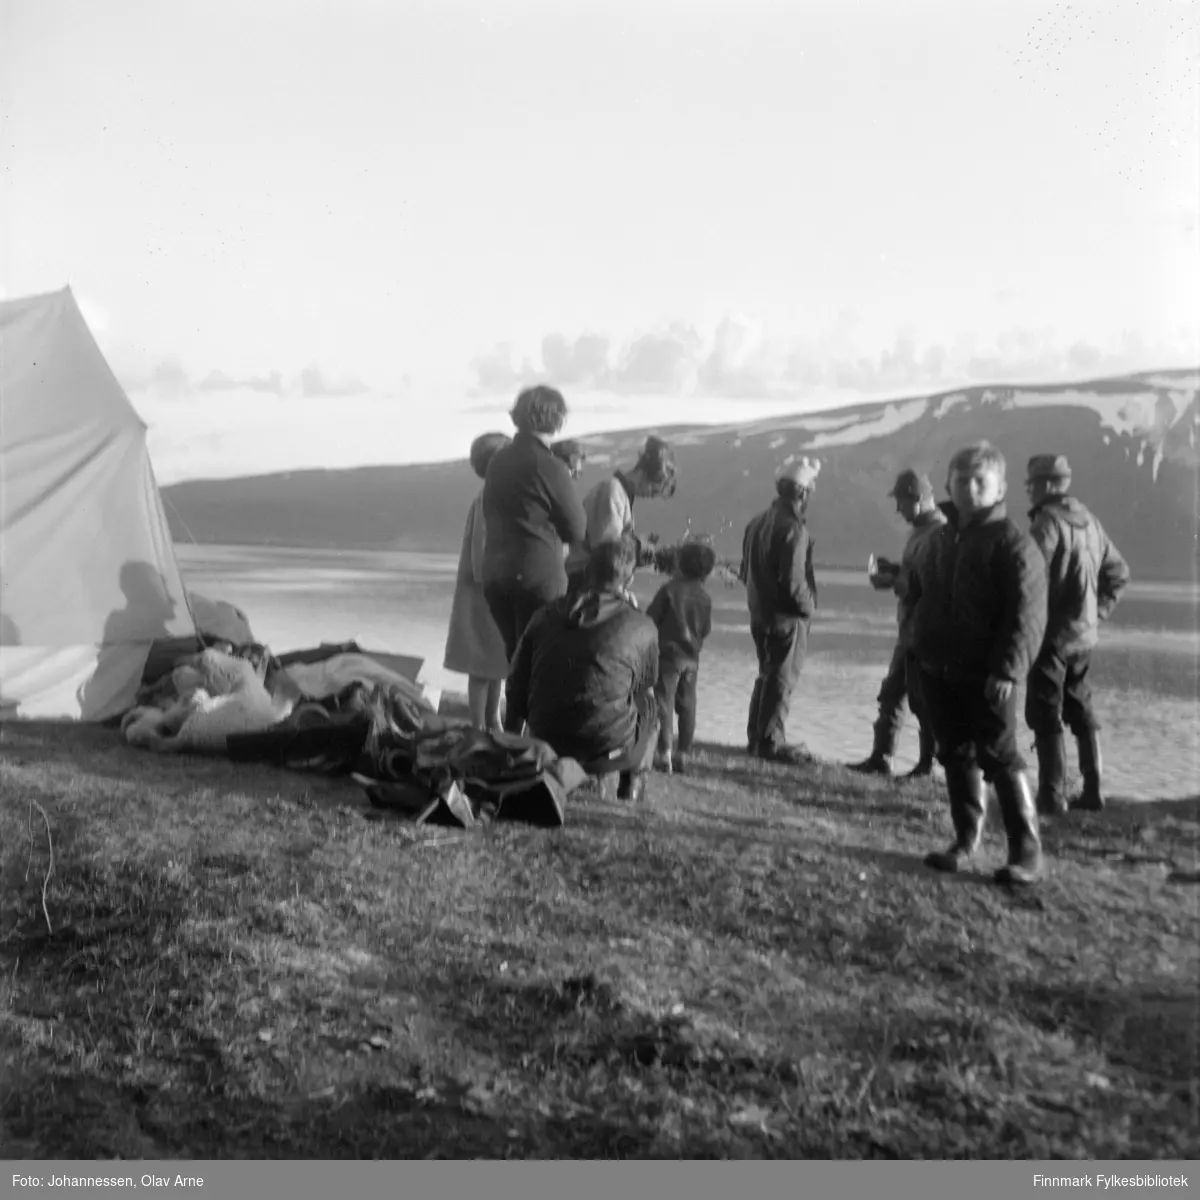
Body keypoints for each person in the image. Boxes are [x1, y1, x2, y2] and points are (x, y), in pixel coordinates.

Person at [907, 442, 1049, 886]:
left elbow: (1027, 614)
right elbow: (918, 593)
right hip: (938, 667)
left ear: (999, 487)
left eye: (979, 481)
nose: (969, 488)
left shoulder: (1013, 544)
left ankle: (1027, 851)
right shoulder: (938, 538)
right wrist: (918, 640)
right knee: (954, 753)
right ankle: (965, 842)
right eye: (961, 479)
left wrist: (1009, 669)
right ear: (947, 484)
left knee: (1001, 756)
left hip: (990, 675)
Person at [505, 535, 660, 802]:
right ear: (629, 579)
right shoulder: (642, 626)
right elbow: (642, 688)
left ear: (587, 572)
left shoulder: (544, 615)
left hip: (545, 742)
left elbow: (516, 686)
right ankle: (632, 785)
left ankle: (521, 762)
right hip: (608, 753)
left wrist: (510, 747)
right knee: (650, 703)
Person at [1024, 453, 1131, 814]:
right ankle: (1093, 792)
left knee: (1045, 713)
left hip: (1050, 638)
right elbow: (1119, 574)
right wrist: (1095, 615)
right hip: (1083, 639)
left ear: (1049, 485)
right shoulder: (1091, 523)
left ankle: (1051, 797)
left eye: (1032, 483)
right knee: (1081, 711)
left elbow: (1028, 576)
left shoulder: (1047, 524)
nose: (1028, 490)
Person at [481, 385, 588, 732]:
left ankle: (511, 740)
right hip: (536, 574)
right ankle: (522, 742)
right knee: (539, 663)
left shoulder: (499, 461)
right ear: (554, 420)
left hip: (496, 574)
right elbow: (577, 528)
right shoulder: (550, 466)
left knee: (515, 660)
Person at [849, 469, 948, 779]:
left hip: (926, 633)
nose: (898, 510)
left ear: (918, 499)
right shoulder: (919, 531)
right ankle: (882, 758)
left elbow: (934, 585)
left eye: (902, 503)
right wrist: (895, 570)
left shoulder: (939, 534)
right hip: (908, 631)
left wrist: (895, 580)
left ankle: (927, 764)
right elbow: (914, 574)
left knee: (925, 701)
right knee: (892, 694)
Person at [739, 458, 821, 764]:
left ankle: (756, 738)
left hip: (759, 614)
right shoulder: (793, 530)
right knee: (781, 679)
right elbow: (794, 585)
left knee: (766, 675)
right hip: (786, 618)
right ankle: (770, 741)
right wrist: (809, 607)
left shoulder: (756, 522)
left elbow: (744, 572)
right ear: (802, 493)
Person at [443, 432, 513, 732]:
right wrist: (490, 580)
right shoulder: (489, 497)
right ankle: (477, 723)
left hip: (497, 592)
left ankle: (493, 718)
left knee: (497, 664)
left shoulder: (498, 495)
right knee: (481, 665)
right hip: (484, 594)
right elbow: (480, 549)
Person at [564, 435, 677, 596]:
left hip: (595, 580)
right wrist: (638, 547)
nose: (651, 496)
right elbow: (607, 550)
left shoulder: (621, 495)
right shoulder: (611, 492)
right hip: (585, 581)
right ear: (643, 474)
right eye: (654, 489)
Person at [646, 540, 715, 776]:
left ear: (680, 564)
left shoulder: (669, 590)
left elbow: (650, 618)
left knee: (663, 703)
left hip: (667, 656)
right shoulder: (705, 598)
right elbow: (705, 629)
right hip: (692, 658)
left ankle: (664, 754)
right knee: (688, 704)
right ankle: (683, 753)